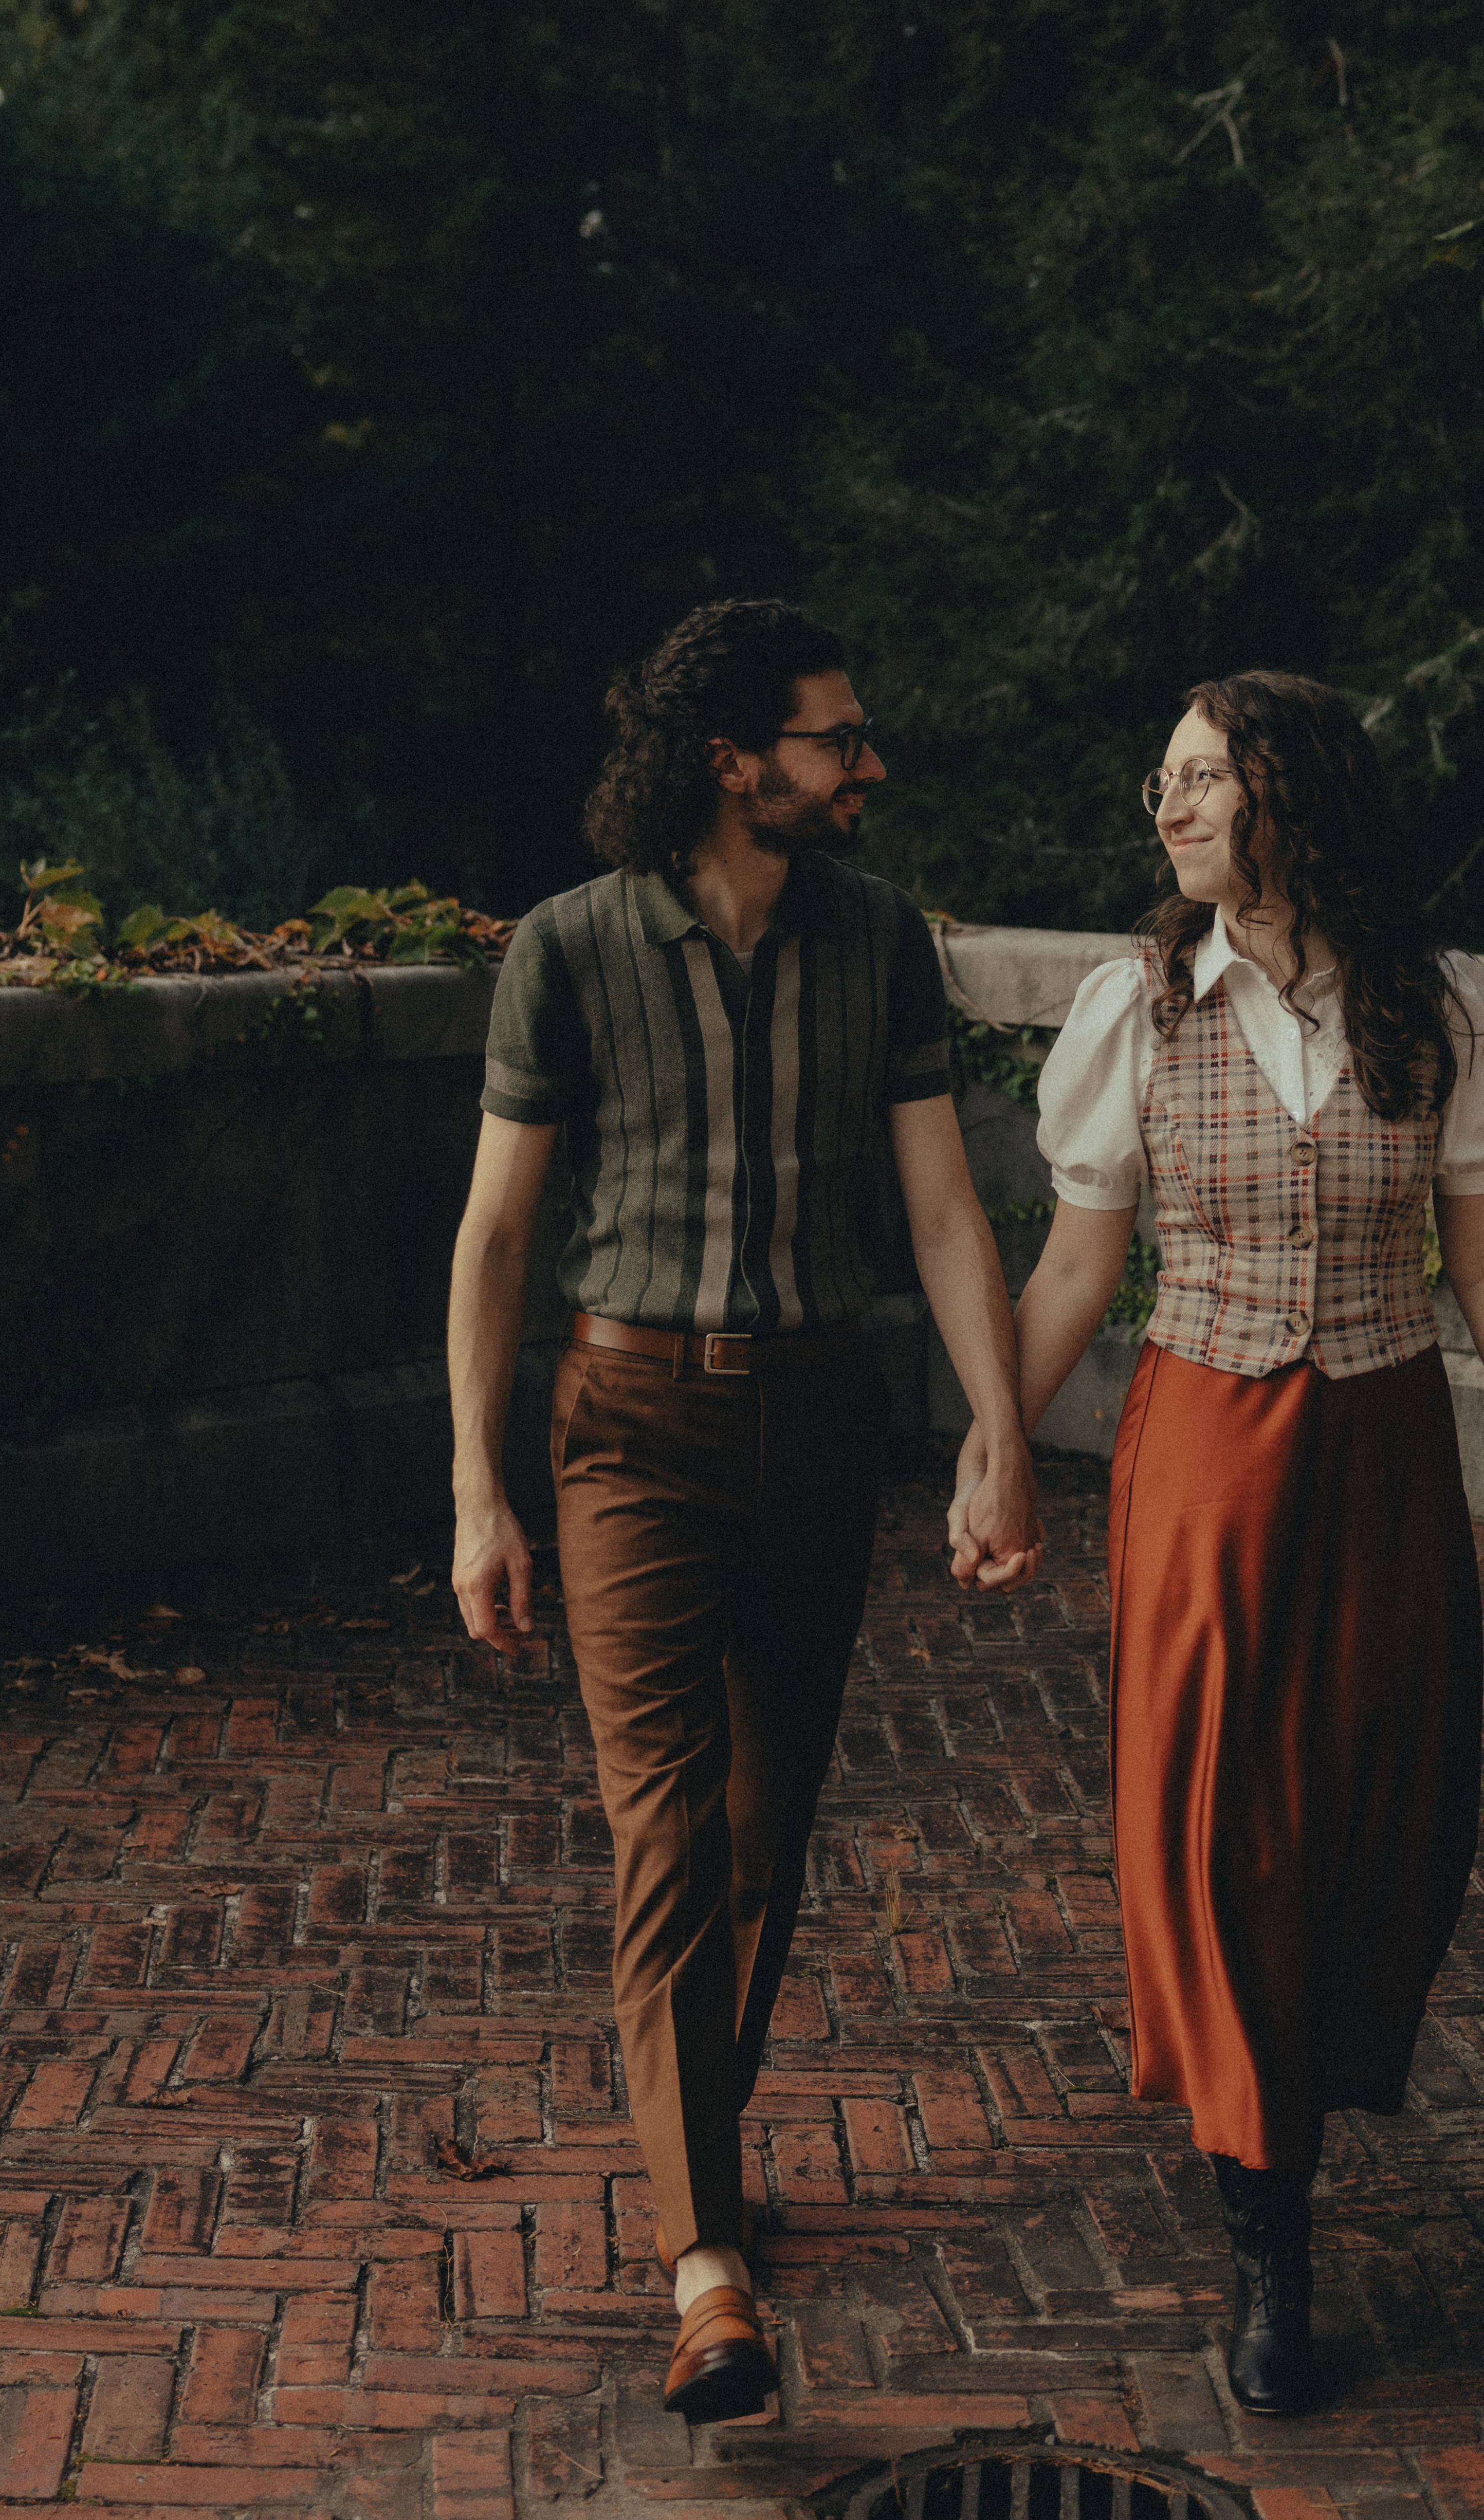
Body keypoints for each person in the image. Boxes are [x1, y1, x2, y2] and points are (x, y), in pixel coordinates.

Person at [961, 668, 1484, 2418]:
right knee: (1222, 1818)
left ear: (1290, 792)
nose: (1166, 808)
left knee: (1390, 1794)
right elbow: (1082, 1266)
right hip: (1207, 1449)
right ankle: (1268, 2235)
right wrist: (998, 1448)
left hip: (1383, 1442)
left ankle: (1302, 2110)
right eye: (1161, 781)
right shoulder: (1139, 1005)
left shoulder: (1436, 1002)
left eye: (1202, 778)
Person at [444, 601, 1040, 2426]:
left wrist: (999, 1429)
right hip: (624, 1422)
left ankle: (695, 2130)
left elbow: (943, 1210)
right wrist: (480, 1489)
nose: (868, 765)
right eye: (835, 739)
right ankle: (708, 2266)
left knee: (767, 1818)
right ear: (732, 762)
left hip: (819, 1417)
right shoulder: (566, 949)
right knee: (662, 1828)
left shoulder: (878, 943)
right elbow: (496, 1237)